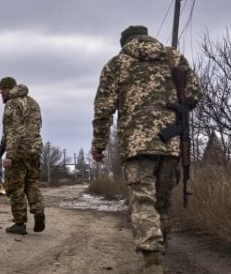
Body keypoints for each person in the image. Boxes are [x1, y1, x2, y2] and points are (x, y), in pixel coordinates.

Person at [91, 25, 202, 274]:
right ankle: (161, 250)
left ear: (125, 43)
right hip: (170, 145)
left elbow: (103, 109)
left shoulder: (116, 63)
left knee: (143, 202)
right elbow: (194, 94)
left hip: (136, 145)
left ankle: (152, 262)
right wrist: (171, 107)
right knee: (161, 205)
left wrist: (98, 144)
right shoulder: (174, 57)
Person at [0, 76, 46, 235]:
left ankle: (20, 223)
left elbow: (13, 132)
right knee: (32, 182)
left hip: (18, 151)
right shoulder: (33, 103)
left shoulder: (12, 104)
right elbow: (35, 127)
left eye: (3, 90)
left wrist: (9, 155)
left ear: (10, 89)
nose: (1, 93)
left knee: (16, 187)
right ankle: (38, 210)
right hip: (34, 149)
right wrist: (2, 146)